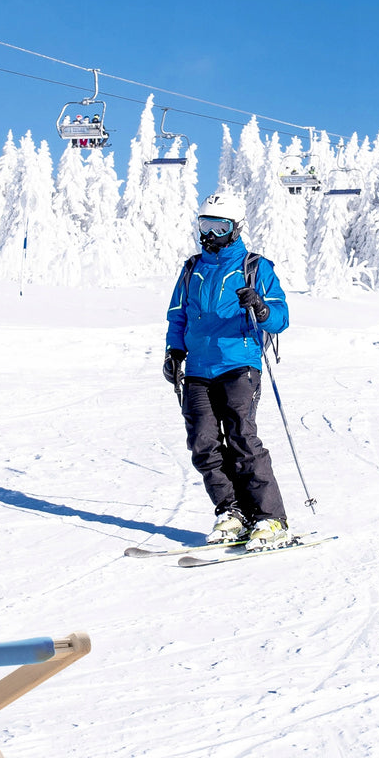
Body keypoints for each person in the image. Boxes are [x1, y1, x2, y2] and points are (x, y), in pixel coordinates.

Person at [162, 191, 291, 550]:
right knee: (203, 444)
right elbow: (178, 315)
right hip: (199, 369)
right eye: (205, 225)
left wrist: (261, 308)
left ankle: (270, 518)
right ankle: (232, 513)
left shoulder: (255, 267)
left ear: (235, 229)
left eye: (220, 226)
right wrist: (174, 352)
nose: (210, 234)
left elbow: (281, 318)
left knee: (241, 440)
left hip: (239, 363)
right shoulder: (192, 269)